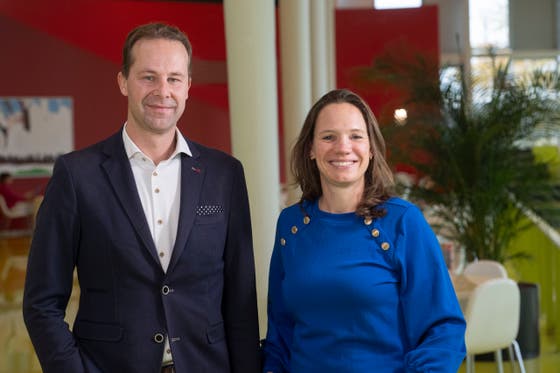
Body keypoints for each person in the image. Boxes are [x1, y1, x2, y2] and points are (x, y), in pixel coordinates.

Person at [23, 22, 260, 373]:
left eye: (174, 79)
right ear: (123, 81)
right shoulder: (77, 176)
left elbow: (240, 301)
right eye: (148, 77)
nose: (163, 91)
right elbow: (41, 303)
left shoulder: (225, 174)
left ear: (188, 87)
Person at [262, 89, 466, 372]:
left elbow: (443, 331)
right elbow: (280, 333)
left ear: (371, 149)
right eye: (328, 136)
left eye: (356, 136)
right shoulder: (290, 225)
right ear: (311, 148)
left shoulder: (403, 222)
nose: (343, 147)